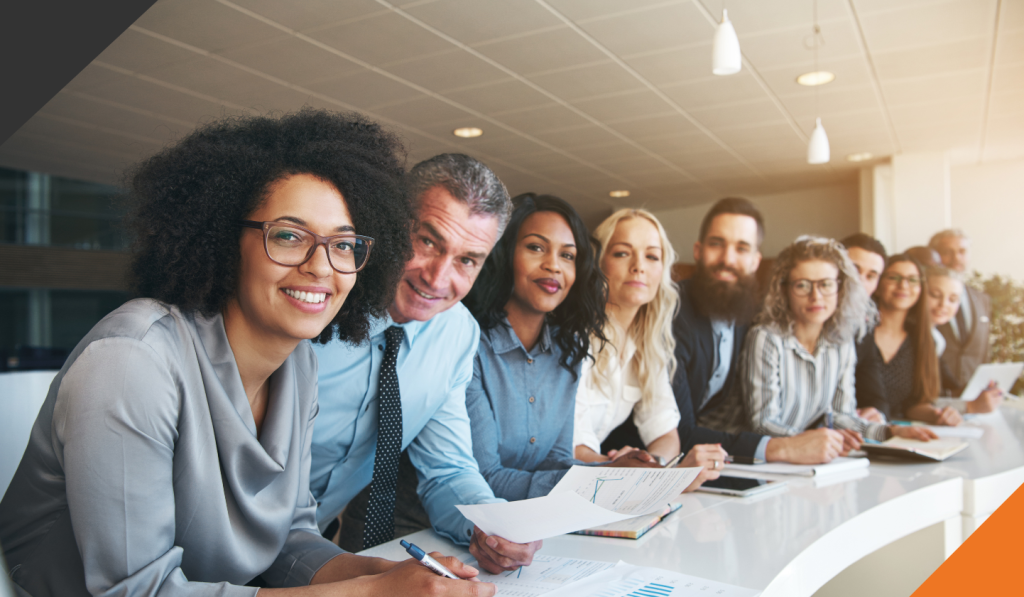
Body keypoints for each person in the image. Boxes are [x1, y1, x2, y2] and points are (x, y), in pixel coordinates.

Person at [0, 110, 488, 596]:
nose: (322, 267)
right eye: (289, 236)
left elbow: (289, 541)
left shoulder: (298, 365)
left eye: (342, 244)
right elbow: (136, 592)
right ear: (223, 240)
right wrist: (371, 594)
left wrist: (383, 575)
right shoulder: (131, 361)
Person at [311, 154, 539, 573]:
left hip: (310, 546)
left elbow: (448, 468)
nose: (437, 279)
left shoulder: (456, 334)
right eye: (428, 242)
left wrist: (490, 524)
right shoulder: (314, 301)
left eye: (467, 260)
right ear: (392, 222)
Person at [462, 194, 664, 501]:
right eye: (535, 247)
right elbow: (485, 477)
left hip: (528, 524)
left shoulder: (567, 350)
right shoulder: (470, 345)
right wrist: (601, 481)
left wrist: (613, 470)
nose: (553, 265)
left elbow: (554, 461)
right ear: (504, 254)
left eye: (567, 256)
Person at [674, 199, 851, 464]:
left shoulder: (746, 312)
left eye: (741, 248)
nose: (727, 259)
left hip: (707, 459)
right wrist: (787, 447)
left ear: (756, 261)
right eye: (716, 244)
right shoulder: (672, 313)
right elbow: (677, 430)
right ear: (697, 250)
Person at [574, 209, 728, 479]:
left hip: (601, 482)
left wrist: (651, 462)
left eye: (652, 256)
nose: (639, 266)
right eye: (622, 253)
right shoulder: (574, 337)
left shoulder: (647, 343)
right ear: (598, 263)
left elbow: (666, 434)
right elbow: (570, 447)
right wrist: (631, 470)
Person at [741, 237, 936, 444]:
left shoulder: (842, 341)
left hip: (811, 457)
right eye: (802, 285)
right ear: (784, 289)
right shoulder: (766, 338)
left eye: (826, 284)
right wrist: (818, 440)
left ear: (840, 288)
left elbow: (842, 416)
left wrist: (890, 432)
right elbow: (762, 423)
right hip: (762, 460)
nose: (816, 296)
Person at [855, 253, 965, 426]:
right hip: (854, 435)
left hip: (901, 435)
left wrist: (938, 415)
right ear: (877, 283)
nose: (903, 285)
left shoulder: (923, 340)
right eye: (894, 278)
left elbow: (913, 404)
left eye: (912, 280)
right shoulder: (858, 334)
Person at [926, 265, 1003, 411]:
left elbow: (949, 387)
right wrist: (969, 406)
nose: (943, 304)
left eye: (953, 299)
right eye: (935, 295)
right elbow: (912, 404)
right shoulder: (911, 339)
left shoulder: (936, 338)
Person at [929, 229, 992, 394]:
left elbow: (984, 353)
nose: (956, 258)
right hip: (933, 393)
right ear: (935, 256)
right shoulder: (922, 297)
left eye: (962, 251)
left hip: (972, 397)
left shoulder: (982, 299)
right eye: (947, 252)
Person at [840, 233, 888, 423]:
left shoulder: (863, 326)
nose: (860, 282)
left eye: (871, 276)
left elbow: (876, 395)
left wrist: (875, 412)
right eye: (853, 270)